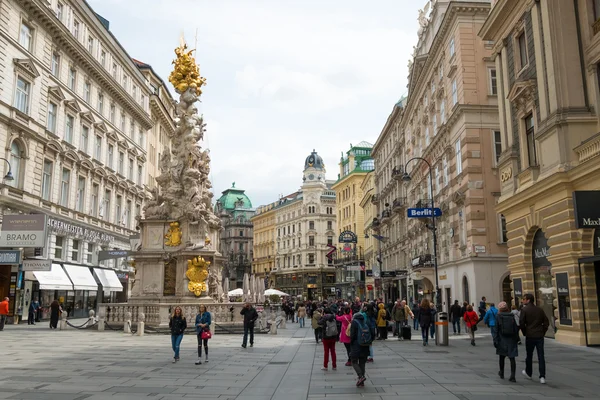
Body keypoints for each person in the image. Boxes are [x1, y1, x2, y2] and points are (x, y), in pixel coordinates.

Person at [519, 293, 549, 384]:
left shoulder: (524, 310)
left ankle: (529, 372)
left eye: (524, 299)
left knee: (529, 355)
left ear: (528, 300)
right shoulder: (539, 309)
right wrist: (543, 331)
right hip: (539, 335)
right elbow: (546, 322)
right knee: (541, 356)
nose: (522, 301)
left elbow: (521, 323)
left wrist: (525, 332)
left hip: (530, 335)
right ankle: (542, 376)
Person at [493, 301, 519, 382]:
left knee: (502, 357)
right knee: (512, 358)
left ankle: (502, 372)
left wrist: (495, 340)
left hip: (502, 339)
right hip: (511, 340)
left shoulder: (498, 316)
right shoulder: (511, 316)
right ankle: (513, 375)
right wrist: (516, 339)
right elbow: (515, 329)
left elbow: (495, 329)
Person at [350, 309, 372, 387]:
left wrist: (351, 343)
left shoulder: (354, 322)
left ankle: (361, 376)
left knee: (354, 361)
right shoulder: (366, 322)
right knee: (362, 362)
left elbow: (352, 335)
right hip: (365, 345)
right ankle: (361, 382)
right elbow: (372, 332)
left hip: (356, 344)